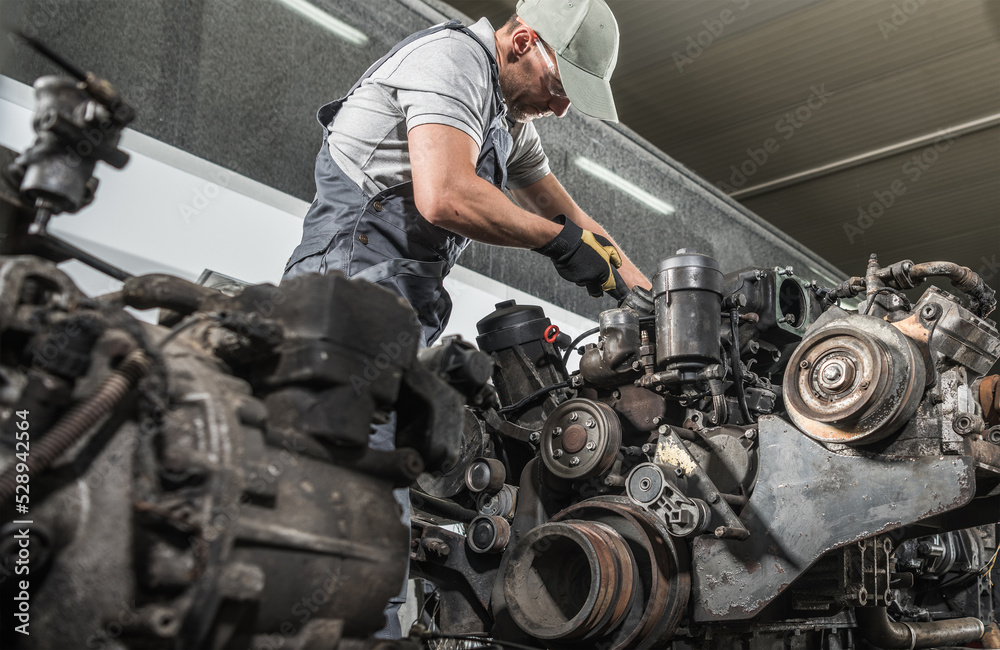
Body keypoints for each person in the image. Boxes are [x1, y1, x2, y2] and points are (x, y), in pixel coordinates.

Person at [282, 0, 649, 638]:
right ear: (522, 42)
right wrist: (556, 245)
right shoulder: (450, 60)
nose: (562, 108)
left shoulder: (508, 120)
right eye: (561, 88)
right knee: (361, 464)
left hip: (403, 294)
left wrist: (648, 297)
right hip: (351, 280)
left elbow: (578, 223)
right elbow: (446, 193)